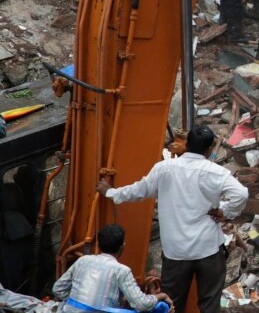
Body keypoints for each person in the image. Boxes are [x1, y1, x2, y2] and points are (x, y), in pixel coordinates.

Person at [98, 126, 249, 313]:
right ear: (209, 150)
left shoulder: (164, 169)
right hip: (208, 249)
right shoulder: (215, 172)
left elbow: (138, 190)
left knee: (172, 304)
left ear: (187, 144)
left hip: (176, 252)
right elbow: (241, 194)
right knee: (210, 305)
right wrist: (226, 211)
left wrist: (111, 192)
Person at [53, 224, 171, 313]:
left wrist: (78, 303)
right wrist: (162, 296)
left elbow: (58, 289)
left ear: (98, 245)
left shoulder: (83, 260)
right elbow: (142, 304)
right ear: (122, 247)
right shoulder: (122, 270)